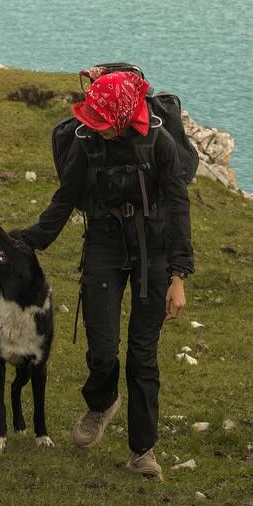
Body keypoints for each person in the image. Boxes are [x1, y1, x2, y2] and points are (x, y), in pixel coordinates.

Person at [16, 66, 193, 479]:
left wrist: (179, 276)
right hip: (104, 245)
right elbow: (65, 200)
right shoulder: (89, 143)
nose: (97, 129)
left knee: (141, 357)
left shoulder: (160, 143)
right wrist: (26, 243)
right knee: (102, 349)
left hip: (155, 253)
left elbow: (179, 208)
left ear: (124, 116)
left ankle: (142, 452)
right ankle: (101, 403)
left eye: (103, 124)